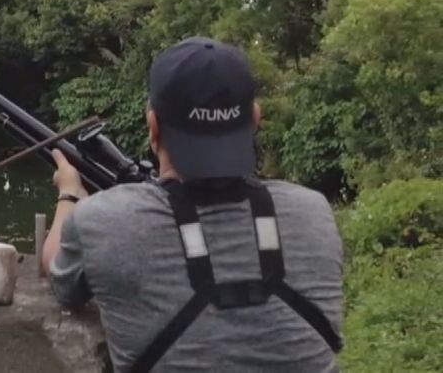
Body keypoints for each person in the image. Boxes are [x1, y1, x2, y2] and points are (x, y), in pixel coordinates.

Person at [42, 36, 344, 373]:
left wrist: (70, 193)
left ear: (153, 126)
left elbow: (59, 275)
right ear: (255, 119)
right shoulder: (314, 211)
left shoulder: (101, 221)